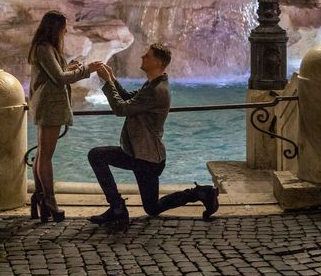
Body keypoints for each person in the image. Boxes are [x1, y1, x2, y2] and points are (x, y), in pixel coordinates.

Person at [88, 44, 219, 229]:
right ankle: (202, 193)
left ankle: (117, 208)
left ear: (157, 62)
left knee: (96, 155)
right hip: (144, 155)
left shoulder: (156, 90)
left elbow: (121, 109)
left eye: (147, 56)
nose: (142, 57)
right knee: (152, 207)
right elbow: (126, 97)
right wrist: (111, 78)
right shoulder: (152, 84)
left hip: (144, 157)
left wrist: (108, 82)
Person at [28, 11, 99, 223]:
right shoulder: (44, 48)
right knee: (46, 156)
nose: (66, 31)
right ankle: (49, 200)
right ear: (55, 28)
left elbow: (54, 73)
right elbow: (59, 78)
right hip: (50, 105)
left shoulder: (44, 48)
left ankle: (40, 197)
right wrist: (87, 70)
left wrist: (70, 67)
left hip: (49, 104)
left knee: (42, 153)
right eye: (63, 27)